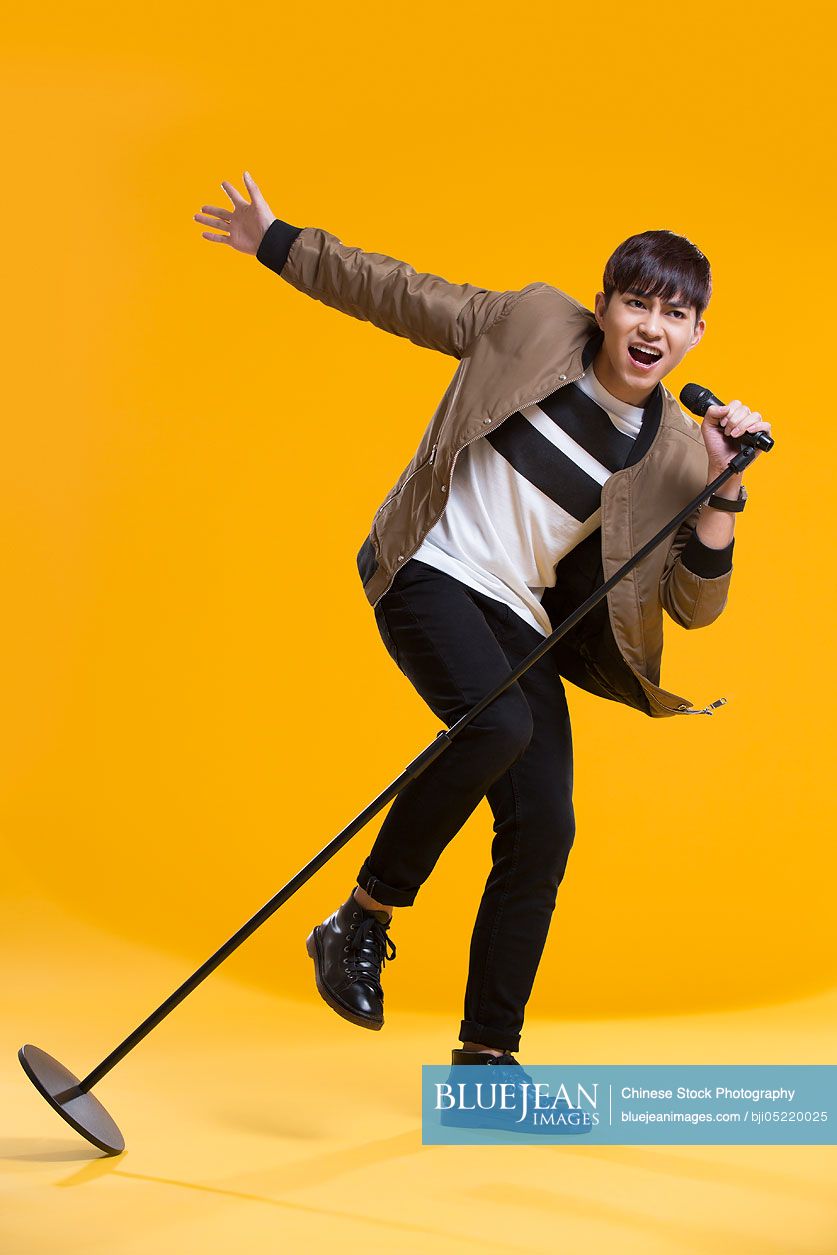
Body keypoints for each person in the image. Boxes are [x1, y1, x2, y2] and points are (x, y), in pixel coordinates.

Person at [194, 173, 771, 1073]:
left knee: (543, 822)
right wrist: (277, 241)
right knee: (497, 725)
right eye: (635, 303)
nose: (651, 327)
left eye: (675, 314)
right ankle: (362, 916)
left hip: (518, 619)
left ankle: (487, 1056)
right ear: (603, 306)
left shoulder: (676, 451)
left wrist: (722, 488)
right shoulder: (533, 324)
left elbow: (693, 608)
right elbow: (401, 293)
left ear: (698, 334)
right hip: (429, 567)